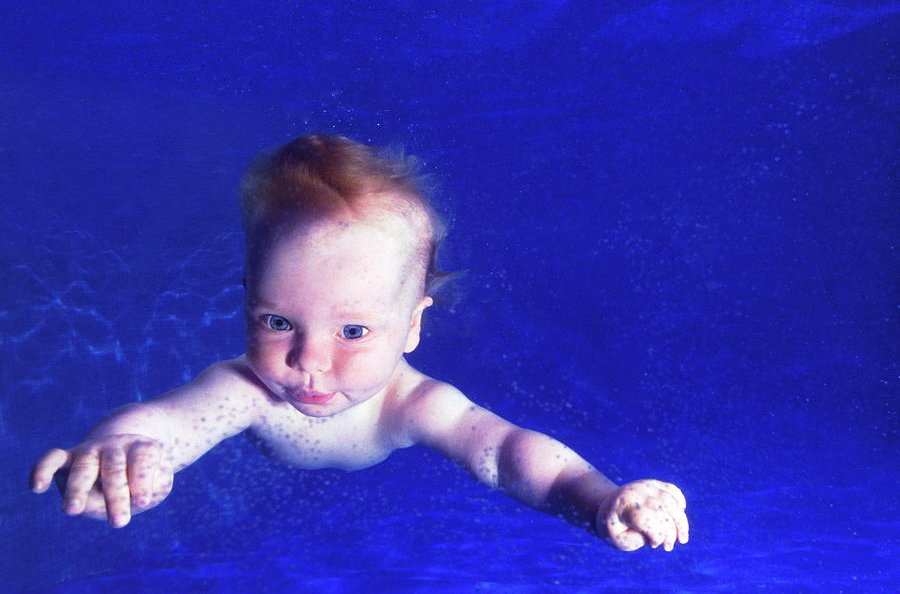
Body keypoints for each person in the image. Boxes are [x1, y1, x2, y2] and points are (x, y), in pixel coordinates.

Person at [30, 134, 689, 552]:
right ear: (245, 300)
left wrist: (598, 497)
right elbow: (171, 420)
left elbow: (509, 455)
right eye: (279, 322)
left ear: (412, 326)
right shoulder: (248, 389)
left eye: (353, 331)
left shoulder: (413, 403)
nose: (310, 361)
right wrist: (118, 451)